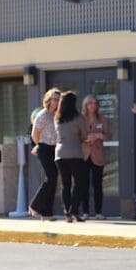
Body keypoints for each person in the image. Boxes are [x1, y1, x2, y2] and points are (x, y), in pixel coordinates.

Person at [53, 91, 88, 222]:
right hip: (75, 153)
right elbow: (84, 135)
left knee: (65, 184)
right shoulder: (78, 118)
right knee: (79, 182)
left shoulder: (57, 118)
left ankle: (67, 212)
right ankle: (74, 210)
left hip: (60, 154)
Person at [28, 88, 61, 220]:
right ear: (48, 100)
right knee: (51, 176)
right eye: (54, 99)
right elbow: (34, 135)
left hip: (54, 148)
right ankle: (35, 206)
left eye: (59, 99)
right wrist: (39, 145)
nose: (56, 102)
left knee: (53, 179)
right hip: (44, 148)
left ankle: (47, 213)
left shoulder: (57, 115)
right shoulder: (43, 115)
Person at [80, 95, 110, 219]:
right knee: (84, 184)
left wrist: (98, 136)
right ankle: (85, 212)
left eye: (94, 103)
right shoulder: (81, 119)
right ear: (85, 105)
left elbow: (108, 136)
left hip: (97, 155)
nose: (92, 105)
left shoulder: (101, 118)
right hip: (84, 155)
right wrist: (86, 138)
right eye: (90, 103)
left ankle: (98, 212)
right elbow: (76, 135)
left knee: (97, 184)